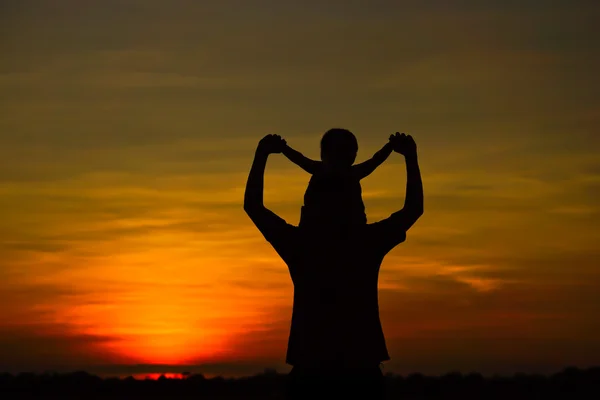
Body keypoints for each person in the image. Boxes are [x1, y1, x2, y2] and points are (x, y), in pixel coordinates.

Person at [243, 130, 424, 399]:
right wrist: (410, 157)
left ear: (308, 207)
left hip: (311, 369)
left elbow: (253, 206)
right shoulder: (364, 243)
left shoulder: (302, 245)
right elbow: (413, 209)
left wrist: (262, 155)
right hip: (360, 369)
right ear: (358, 207)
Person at [281, 129, 395, 227]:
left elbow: (375, 160)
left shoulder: (323, 169)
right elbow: (375, 160)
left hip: (341, 229)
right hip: (324, 228)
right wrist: (390, 146)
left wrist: (283, 148)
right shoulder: (350, 172)